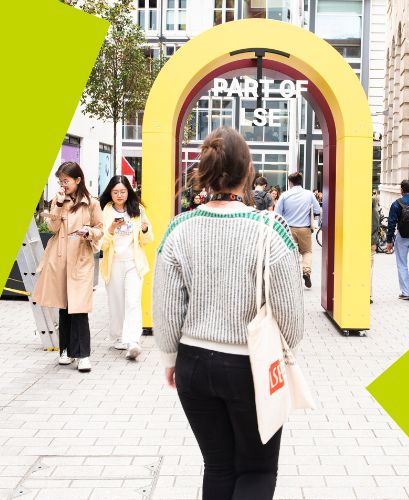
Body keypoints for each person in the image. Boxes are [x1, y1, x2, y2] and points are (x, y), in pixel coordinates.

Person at [153, 126, 304, 500]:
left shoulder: (178, 228)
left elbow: (166, 306)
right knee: (256, 468)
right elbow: (293, 322)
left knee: (218, 466)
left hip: (193, 366)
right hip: (250, 366)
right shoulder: (271, 230)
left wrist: (171, 357)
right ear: (247, 170)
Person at [32, 162, 103, 372]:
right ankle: (65, 350)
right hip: (60, 259)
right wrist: (59, 205)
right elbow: (52, 227)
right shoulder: (58, 200)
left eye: (66, 181)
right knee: (64, 306)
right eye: (60, 181)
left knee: (79, 308)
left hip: (80, 259)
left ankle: (82, 355)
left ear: (77, 180)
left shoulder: (91, 203)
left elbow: (100, 229)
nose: (63, 185)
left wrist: (88, 232)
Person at [99, 175, 154, 360]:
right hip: (113, 263)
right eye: (115, 192)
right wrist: (111, 229)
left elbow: (147, 240)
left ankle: (133, 341)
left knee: (133, 301)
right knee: (116, 302)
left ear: (129, 191)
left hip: (133, 263)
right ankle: (118, 336)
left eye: (123, 191)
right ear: (110, 193)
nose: (119, 195)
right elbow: (102, 244)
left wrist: (145, 229)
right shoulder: (104, 211)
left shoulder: (137, 209)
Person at [275, 172, 321, 288]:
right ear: (301, 182)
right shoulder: (309, 194)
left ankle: (291, 277)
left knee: (291, 253)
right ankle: (306, 271)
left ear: (290, 182)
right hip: (304, 229)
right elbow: (317, 210)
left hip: (288, 229)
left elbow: (277, 214)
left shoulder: (285, 195)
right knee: (307, 251)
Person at [371, 195, 380, 304]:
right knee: (369, 269)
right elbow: (375, 227)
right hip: (371, 242)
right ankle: (367, 294)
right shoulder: (374, 212)